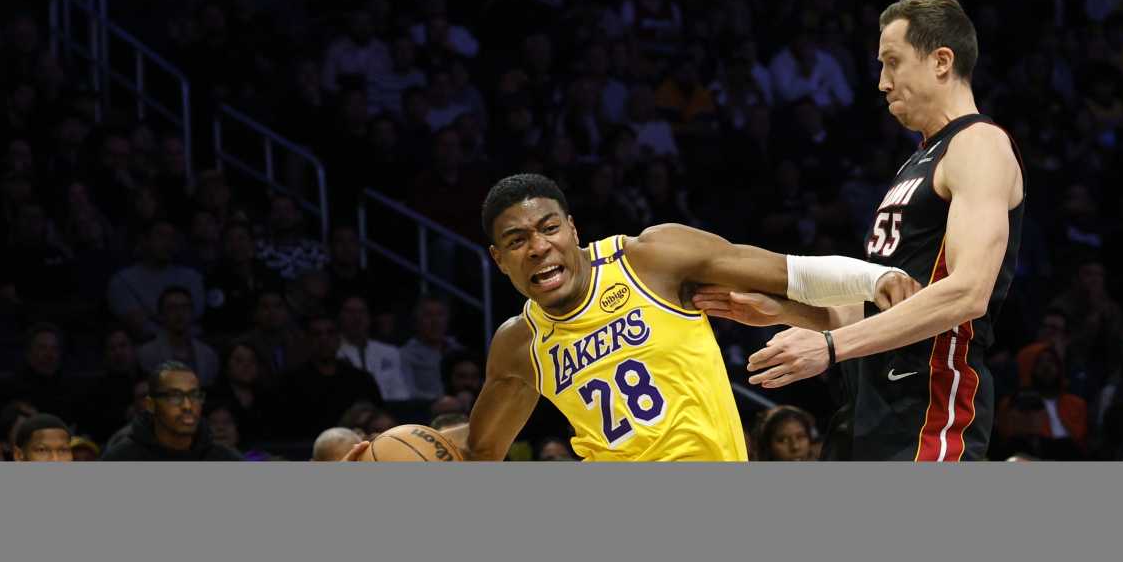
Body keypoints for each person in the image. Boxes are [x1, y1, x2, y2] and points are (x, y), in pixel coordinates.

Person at [342, 173, 917, 462]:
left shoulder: (649, 257)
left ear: (572, 229)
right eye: (516, 241)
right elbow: (481, 450)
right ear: (499, 261)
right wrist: (384, 454)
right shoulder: (519, 345)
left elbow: (789, 270)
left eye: (548, 229)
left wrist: (874, 278)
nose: (537, 247)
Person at [710, 0, 1026, 461]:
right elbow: (890, 305)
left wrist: (831, 346)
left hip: (929, 410)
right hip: (867, 406)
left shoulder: (979, 145)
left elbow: (967, 294)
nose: (882, 82)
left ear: (942, 61)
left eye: (893, 63)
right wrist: (781, 310)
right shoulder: (916, 163)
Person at [101, 362, 243, 461]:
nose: (187, 406)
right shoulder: (121, 458)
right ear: (151, 405)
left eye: (194, 396)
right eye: (175, 397)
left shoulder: (225, 458)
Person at [138, 286, 221, 386]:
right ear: (161, 314)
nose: (179, 313)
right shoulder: (147, 354)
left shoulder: (208, 355)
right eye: (172, 308)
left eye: (185, 307)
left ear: (192, 312)